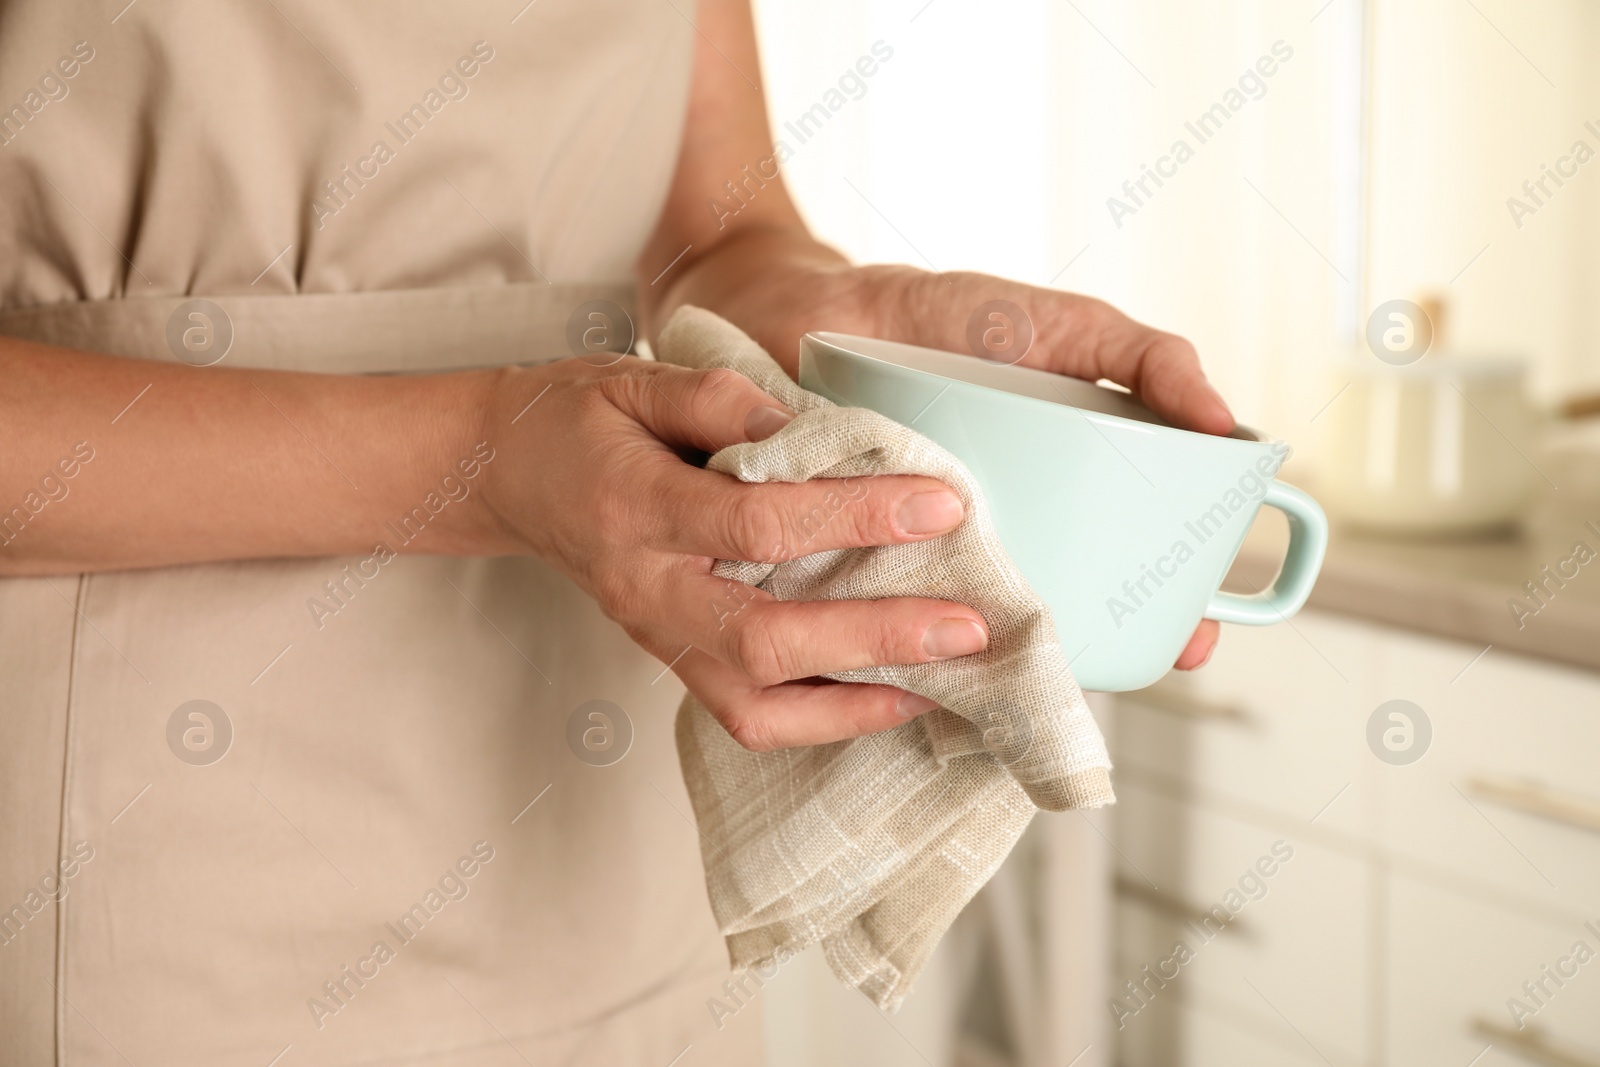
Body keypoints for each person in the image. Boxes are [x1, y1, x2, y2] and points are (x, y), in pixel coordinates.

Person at [0, 1, 1231, 1063]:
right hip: (153, 839)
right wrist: (476, 458)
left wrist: (843, 317)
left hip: (592, 810)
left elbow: (719, 231)